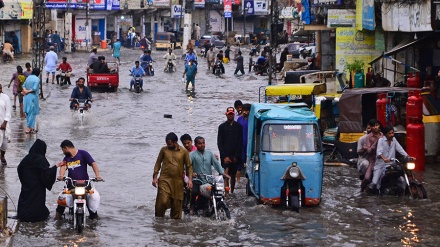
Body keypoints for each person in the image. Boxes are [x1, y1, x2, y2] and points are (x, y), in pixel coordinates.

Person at [17, 139, 66, 222]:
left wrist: (24, 180)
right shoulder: (41, 160)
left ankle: (22, 215)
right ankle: (36, 217)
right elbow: (46, 173)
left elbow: (19, 168)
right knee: (37, 202)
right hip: (37, 187)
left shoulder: (27, 158)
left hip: (27, 185)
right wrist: (56, 167)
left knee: (25, 200)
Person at [56, 140, 103, 220]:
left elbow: (93, 163)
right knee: (61, 203)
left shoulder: (83, 153)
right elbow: (63, 167)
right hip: (71, 185)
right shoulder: (66, 158)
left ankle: (94, 222)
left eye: (63, 150)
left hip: (85, 184)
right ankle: (57, 221)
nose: (63, 152)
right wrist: (61, 175)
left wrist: (97, 175)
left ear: (66, 148)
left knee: (91, 204)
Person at [152, 132, 193, 219]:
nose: (168, 145)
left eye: (169, 144)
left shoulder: (184, 152)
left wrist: (189, 180)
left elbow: (189, 166)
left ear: (175, 142)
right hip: (164, 179)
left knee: (176, 208)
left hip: (178, 181)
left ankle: (174, 229)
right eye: (167, 144)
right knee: (162, 201)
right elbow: (158, 163)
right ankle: (159, 220)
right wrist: (155, 177)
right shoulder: (164, 150)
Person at [190, 136, 229, 214]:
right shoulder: (192, 155)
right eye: (199, 143)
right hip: (198, 179)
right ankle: (192, 206)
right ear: (196, 145)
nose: (202, 145)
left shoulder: (210, 153)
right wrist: (191, 173)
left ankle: (214, 205)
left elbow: (216, 164)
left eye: (203, 143)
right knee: (194, 191)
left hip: (209, 179)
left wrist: (223, 173)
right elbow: (187, 166)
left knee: (219, 191)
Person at [369, 126, 412, 191]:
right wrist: (384, 159)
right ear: (385, 134)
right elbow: (379, 152)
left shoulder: (394, 140)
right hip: (381, 165)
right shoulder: (381, 140)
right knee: (374, 183)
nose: (392, 135)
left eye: (392, 133)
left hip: (391, 164)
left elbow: (400, 149)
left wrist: (408, 157)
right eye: (390, 133)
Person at [217, 107, 243, 194]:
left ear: (234, 114)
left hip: (235, 155)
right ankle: (227, 193)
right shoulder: (221, 127)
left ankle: (232, 191)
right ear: (226, 114)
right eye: (229, 114)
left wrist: (237, 156)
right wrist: (224, 156)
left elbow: (240, 142)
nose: (230, 116)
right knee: (226, 174)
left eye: (232, 114)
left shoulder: (239, 127)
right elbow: (219, 143)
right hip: (225, 155)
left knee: (233, 175)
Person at [360, 119, 383, 192]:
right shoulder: (368, 137)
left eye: (377, 125)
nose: (376, 127)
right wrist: (377, 142)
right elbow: (369, 150)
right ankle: (362, 188)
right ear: (371, 127)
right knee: (367, 178)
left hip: (382, 158)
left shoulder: (382, 135)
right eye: (374, 126)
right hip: (372, 159)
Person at [22, 68, 40, 134]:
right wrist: (27, 91)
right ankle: (29, 127)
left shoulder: (28, 77)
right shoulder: (37, 79)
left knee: (28, 112)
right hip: (33, 97)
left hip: (27, 97)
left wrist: (25, 90)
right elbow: (34, 88)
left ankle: (31, 127)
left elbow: (23, 85)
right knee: (32, 112)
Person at [236, 103, 250, 183]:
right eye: (244, 110)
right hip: (240, 144)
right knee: (239, 163)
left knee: (249, 163)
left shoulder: (252, 120)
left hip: (249, 144)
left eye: (246, 111)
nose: (244, 112)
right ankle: (238, 181)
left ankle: (248, 181)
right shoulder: (239, 119)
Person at [0, 84, 11, 165]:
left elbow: (8, 112)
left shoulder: (5, 98)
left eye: (0, 88)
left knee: (4, 144)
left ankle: (2, 156)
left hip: (3, 125)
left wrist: (4, 123)